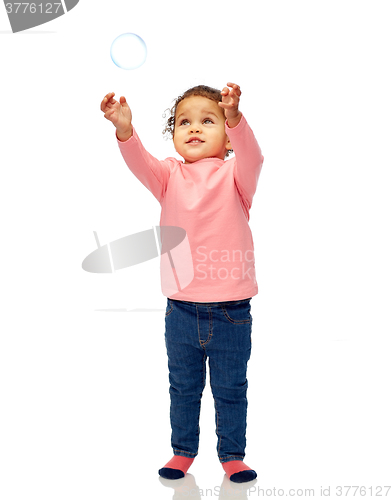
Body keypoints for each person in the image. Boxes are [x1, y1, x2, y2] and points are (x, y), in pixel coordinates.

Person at [100, 83, 264, 483]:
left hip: (232, 312)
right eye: (184, 122)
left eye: (208, 121)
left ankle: (232, 455)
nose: (193, 128)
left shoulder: (236, 176)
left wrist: (237, 118)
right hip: (181, 311)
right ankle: (183, 451)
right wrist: (125, 129)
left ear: (227, 138)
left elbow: (254, 156)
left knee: (230, 390)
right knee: (183, 389)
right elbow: (139, 161)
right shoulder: (168, 176)